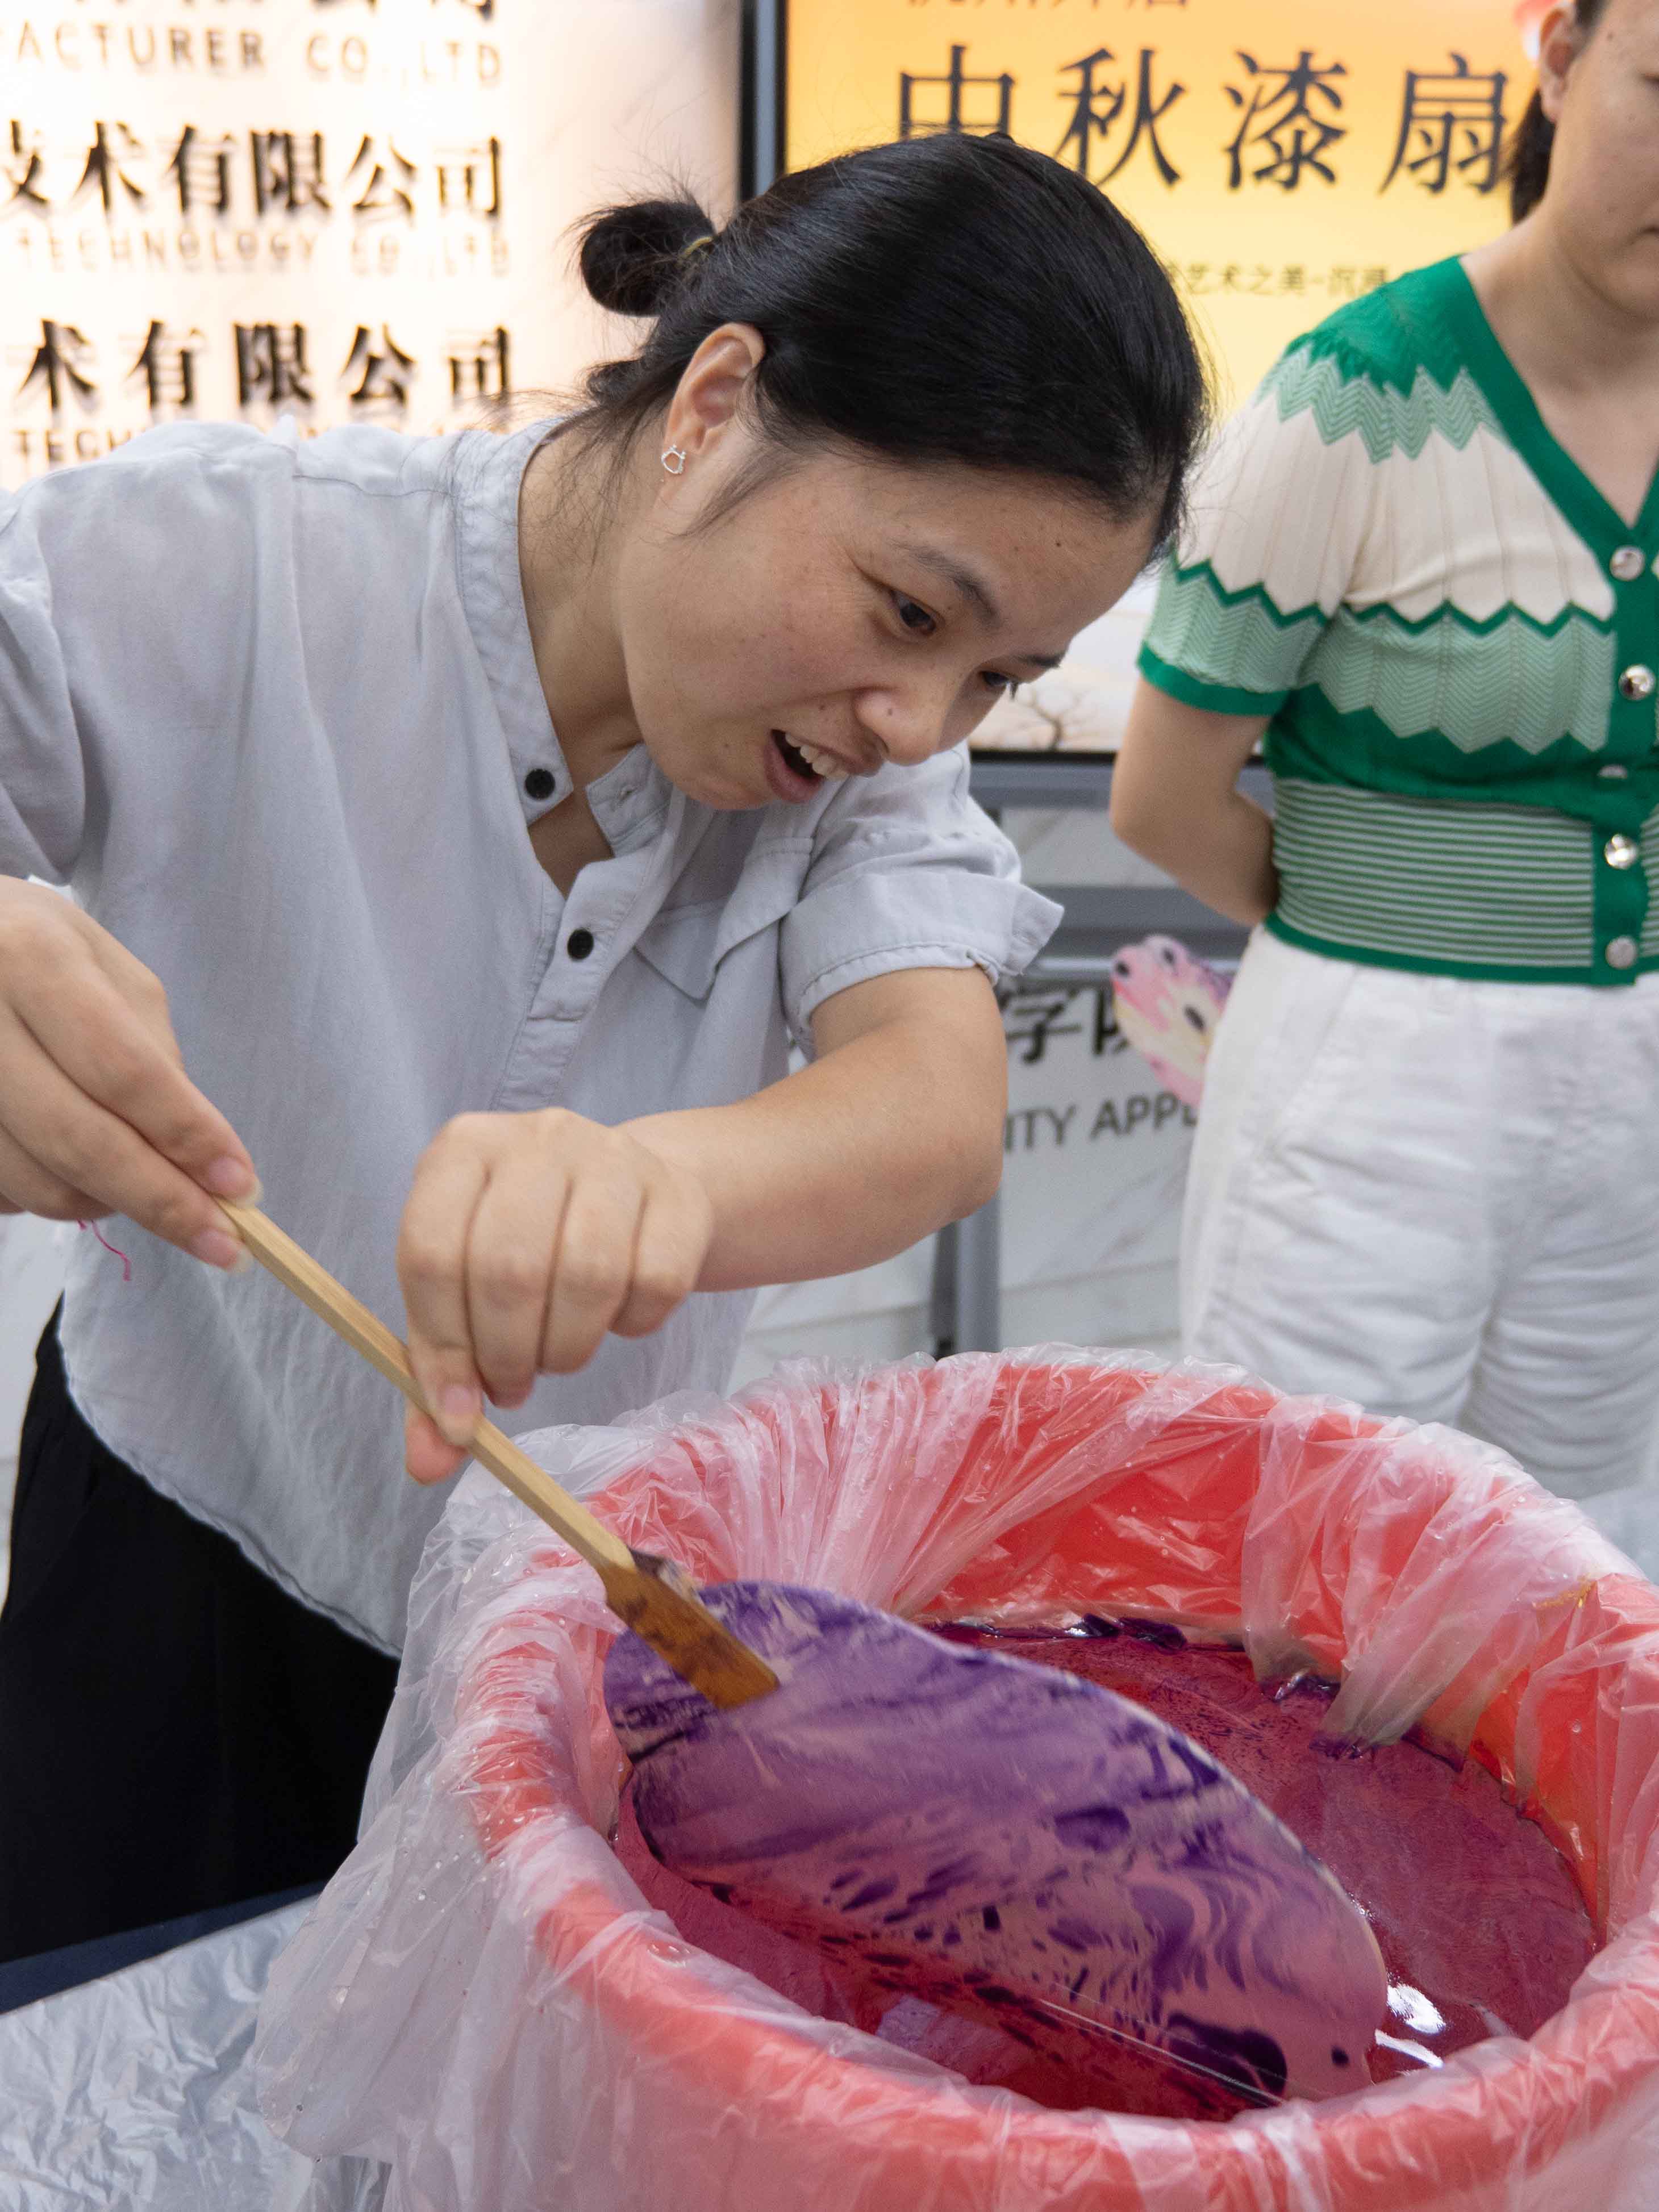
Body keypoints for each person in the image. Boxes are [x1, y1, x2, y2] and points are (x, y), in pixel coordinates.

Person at [0, 132, 1206, 1958]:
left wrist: (658, 1179)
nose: (915, 719)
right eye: (908, 612)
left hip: (563, 1620)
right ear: (714, 405)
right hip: (176, 1536)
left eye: (992, 677)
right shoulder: (233, 564)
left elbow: (935, 1099)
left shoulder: (864, 777)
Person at [1111, 0, 1659, 1533]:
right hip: (1373, 1072)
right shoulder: (1356, 398)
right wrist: (1391, 915)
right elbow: (1162, 796)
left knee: (1584, 1543)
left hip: (1633, 1088)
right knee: (1313, 1534)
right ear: (1560, 57)